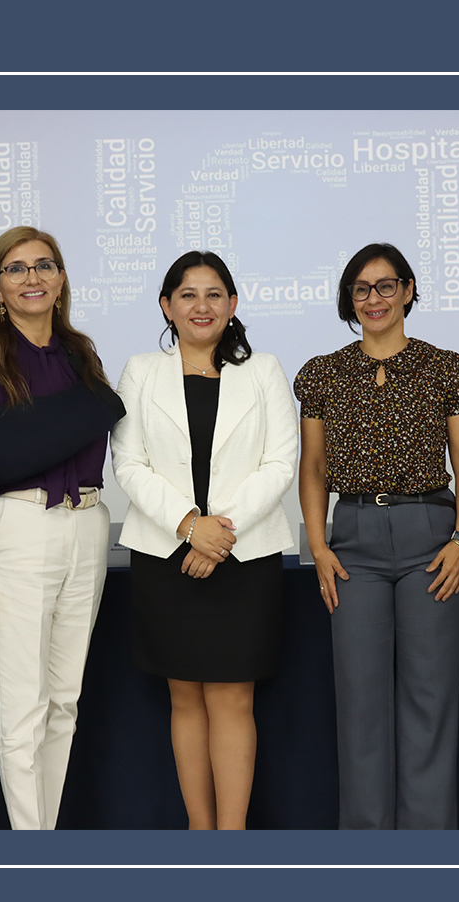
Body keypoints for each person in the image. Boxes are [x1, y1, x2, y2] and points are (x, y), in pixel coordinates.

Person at [294, 242, 459, 830]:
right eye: (361, 289)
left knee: (430, 698)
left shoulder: (445, 367)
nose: (373, 298)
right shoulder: (323, 373)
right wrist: (318, 546)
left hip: (432, 535)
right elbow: (313, 467)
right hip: (352, 539)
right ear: (349, 299)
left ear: (407, 291)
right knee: (361, 703)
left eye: (385, 285)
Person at [110, 251, 298, 831]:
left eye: (214, 294)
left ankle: (231, 840)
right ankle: (199, 833)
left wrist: (218, 533)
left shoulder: (263, 370)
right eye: (187, 295)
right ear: (166, 306)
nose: (202, 306)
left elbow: (280, 461)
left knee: (233, 698)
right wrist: (191, 527)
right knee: (185, 696)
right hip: (166, 553)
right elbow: (129, 463)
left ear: (233, 304)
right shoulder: (141, 371)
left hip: (245, 555)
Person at [0, 226, 124, 830]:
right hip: (23, 528)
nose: (32, 277)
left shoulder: (82, 354)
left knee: (64, 702)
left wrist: (47, 423)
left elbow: (57, 433)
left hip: (87, 526)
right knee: (22, 706)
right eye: (16, 268)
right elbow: (3, 459)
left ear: (61, 279)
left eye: (44, 265)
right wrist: (95, 407)